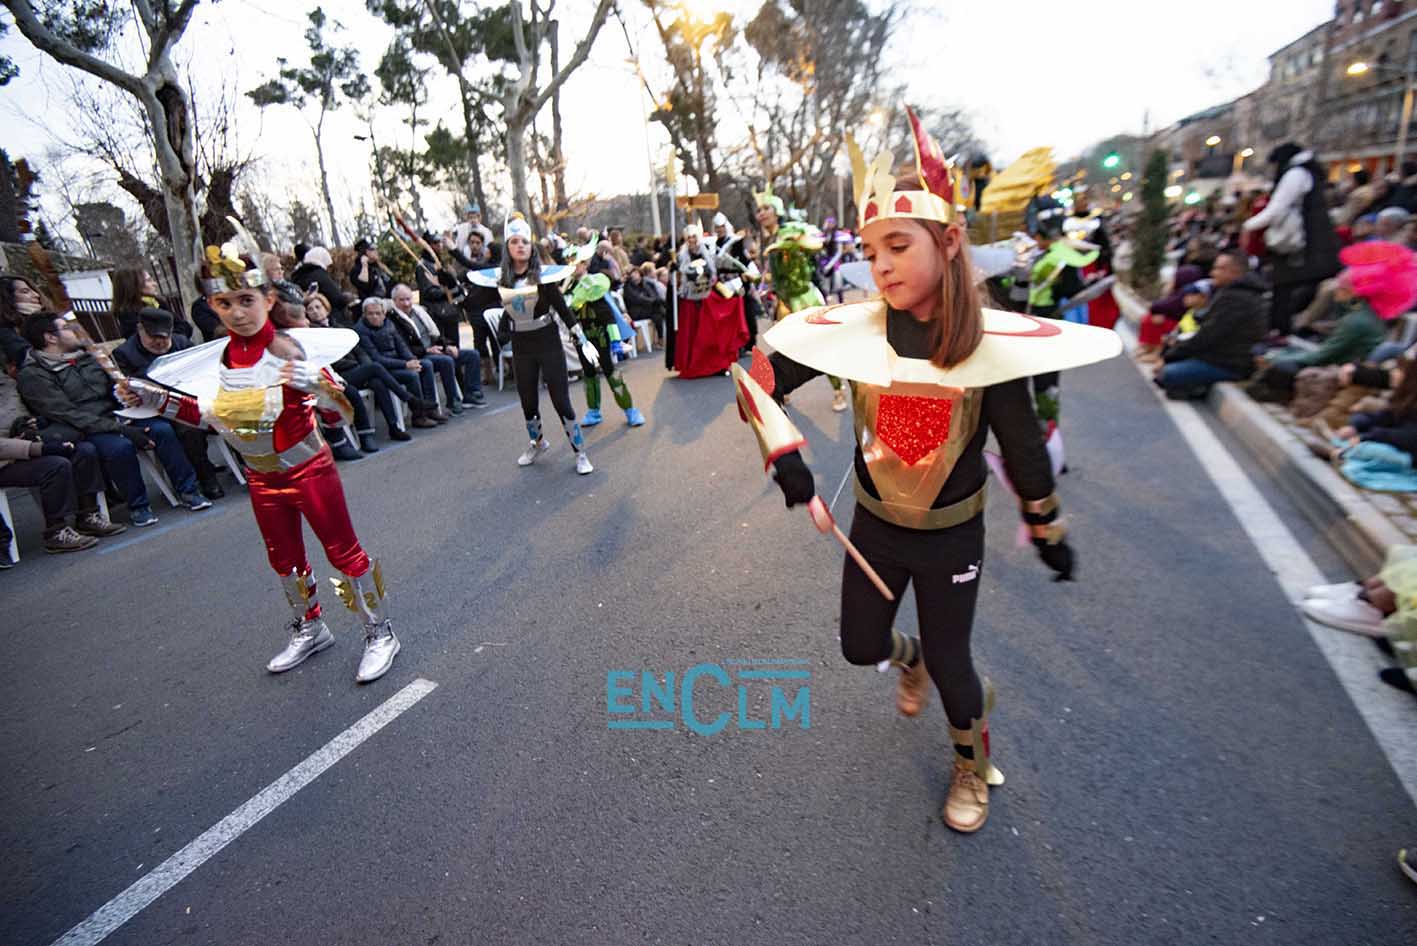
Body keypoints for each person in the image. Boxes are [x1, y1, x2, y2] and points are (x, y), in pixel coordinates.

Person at [731, 111, 1119, 832]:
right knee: (860, 646)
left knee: (953, 664)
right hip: (875, 527)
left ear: (949, 242)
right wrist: (784, 457)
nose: (880, 266)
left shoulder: (988, 344)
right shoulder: (856, 329)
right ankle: (905, 659)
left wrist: (1047, 529)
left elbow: (1023, 448)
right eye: (870, 250)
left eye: (898, 246)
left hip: (951, 537)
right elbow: (755, 378)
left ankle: (971, 765)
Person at [118, 226, 402, 683]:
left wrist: (317, 386)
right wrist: (154, 399)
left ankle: (380, 633)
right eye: (225, 303)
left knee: (343, 552)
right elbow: (210, 416)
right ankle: (311, 627)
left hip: (309, 470)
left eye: (246, 300)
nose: (237, 312)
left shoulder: (291, 349)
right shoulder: (223, 360)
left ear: (267, 300)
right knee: (284, 560)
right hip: (262, 478)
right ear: (213, 306)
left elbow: (343, 415)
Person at [17, 313, 210, 526]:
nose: (76, 331)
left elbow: (114, 386)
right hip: (86, 427)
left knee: (162, 429)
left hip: (118, 415)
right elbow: (68, 413)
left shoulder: (89, 357)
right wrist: (121, 429)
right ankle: (138, 506)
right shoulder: (34, 374)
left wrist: (125, 394)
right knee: (120, 447)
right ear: (50, 338)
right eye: (67, 328)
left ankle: (189, 490)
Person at [496, 213, 594, 474]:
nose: (520, 246)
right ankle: (538, 443)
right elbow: (509, 309)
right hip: (521, 346)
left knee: (561, 401)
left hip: (547, 341)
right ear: (507, 247)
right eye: (514, 241)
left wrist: (581, 337)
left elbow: (562, 308)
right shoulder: (503, 280)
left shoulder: (544, 277)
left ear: (531, 247)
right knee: (528, 402)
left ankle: (580, 453)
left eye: (524, 242)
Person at [1, 353, 126, 554]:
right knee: (55, 466)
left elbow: (22, 414)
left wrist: (31, 424)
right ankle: (56, 531)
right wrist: (36, 447)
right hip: (5, 459)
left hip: (25, 442)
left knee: (83, 450)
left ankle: (88, 515)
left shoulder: (7, 384)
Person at [113, 307, 226, 497]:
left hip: (190, 397)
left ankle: (245, 465)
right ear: (140, 329)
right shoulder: (124, 353)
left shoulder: (181, 343)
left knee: (224, 410)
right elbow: (124, 387)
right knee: (184, 427)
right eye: (153, 337)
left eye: (164, 337)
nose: (159, 342)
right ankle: (205, 478)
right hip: (152, 409)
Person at [757, 193, 846, 409]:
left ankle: (838, 390)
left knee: (821, 345)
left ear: (777, 211)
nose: (762, 213)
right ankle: (783, 387)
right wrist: (764, 282)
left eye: (767, 208)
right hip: (784, 302)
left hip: (805, 298)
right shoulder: (769, 238)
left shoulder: (790, 231)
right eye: (759, 210)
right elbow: (775, 272)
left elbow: (814, 244)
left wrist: (793, 244)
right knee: (786, 347)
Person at [1241, 142, 1342, 334]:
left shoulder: (1296, 174)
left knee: (1284, 290)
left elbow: (1278, 207)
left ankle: (1282, 329)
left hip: (1301, 244)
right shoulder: (1308, 173)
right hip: (1311, 242)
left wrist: (1248, 226)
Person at [1155, 251, 1268, 399]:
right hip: (1217, 355)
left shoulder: (1238, 299)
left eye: (1219, 268)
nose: (1212, 273)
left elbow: (1208, 335)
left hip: (1228, 362)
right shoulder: (1231, 292)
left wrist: (1170, 356)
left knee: (1167, 374)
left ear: (1234, 272)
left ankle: (1197, 387)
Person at [307, 292, 410, 444]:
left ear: (326, 308)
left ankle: (393, 427)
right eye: (310, 309)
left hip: (357, 370)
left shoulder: (339, 326)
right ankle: (408, 399)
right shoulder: (313, 334)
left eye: (318, 307)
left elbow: (359, 351)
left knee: (377, 382)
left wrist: (364, 366)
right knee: (375, 368)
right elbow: (333, 361)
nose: (315, 311)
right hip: (339, 375)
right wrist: (360, 366)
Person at [387, 283, 485, 412]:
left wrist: (447, 346)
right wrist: (426, 350)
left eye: (408, 299)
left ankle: (471, 394)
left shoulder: (419, 312)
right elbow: (403, 347)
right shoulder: (393, 320)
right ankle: (453, 401)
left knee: (472, 355)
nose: (406, 303)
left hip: (435, 349)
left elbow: (436, 335)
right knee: (446, 361)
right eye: (402, 300)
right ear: (394, 301)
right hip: (418, 356)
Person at [567, 270, 646, 428]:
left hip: (601, 340)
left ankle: (630, 410)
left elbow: (611, 322)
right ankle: (593, 412)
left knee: (610, 371)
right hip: (583, 340)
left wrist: (616, 342)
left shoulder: (600, 302)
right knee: (588, 373)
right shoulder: (574, 299)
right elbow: (570, 317)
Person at [354, 298, 444, 428]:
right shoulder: (361, 331)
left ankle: (430, 408)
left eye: (378, 313)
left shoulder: (389, 324)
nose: (374, 317)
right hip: (384, 370)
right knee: (411, 376)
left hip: (398, 362)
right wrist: (405, 365)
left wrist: (412, 360)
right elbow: (376, 358)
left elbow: (401, 346)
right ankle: (419, 416)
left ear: (384, 314)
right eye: (370, 314)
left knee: (426, 365)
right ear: (364, 314)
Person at [112, 267, 192, 339]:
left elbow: (185, 327)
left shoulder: (157, 303)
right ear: (134, 285)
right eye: (149, 280)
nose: (155, 284)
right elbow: (150, 341)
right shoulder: (128, 315)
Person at [0, 273, 54, 367]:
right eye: (25, 292)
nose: (36, 295)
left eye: (34, 290)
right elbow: (27, 357)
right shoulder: (5, 330)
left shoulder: (51, 319)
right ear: (8, 298)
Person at [290, 247, 351, 323]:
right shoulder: (319, 274)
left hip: (307, 316)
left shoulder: (298, 275)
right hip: (329, 315)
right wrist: (347, 299)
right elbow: (337, 297)